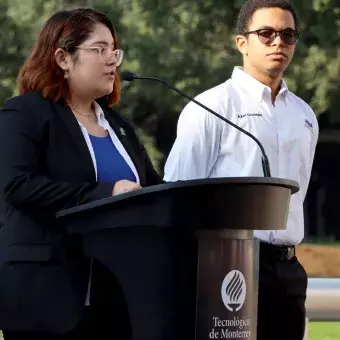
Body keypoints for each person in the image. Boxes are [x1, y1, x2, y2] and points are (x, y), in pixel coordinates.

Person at [0, 8, 162, 340]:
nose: (112, 60)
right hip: (47, 299)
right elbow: (17, 186)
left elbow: (154, 190)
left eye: (114, 50)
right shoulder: (25, 113)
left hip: (119, 299)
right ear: (63, 58)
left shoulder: (118, 126)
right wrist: (106, 194)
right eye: (99, 49)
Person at [164, 1, 318, 340]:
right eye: (266, 34)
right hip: (226, 265)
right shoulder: (210, 107)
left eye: (288, 35)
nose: (279, 43)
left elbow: (299, 193)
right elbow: (177, 197)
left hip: (287, 269)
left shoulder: (305, 115)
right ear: (242, 43)